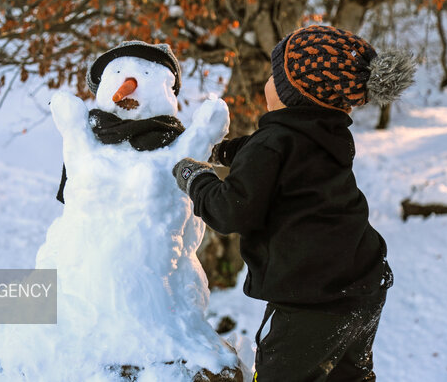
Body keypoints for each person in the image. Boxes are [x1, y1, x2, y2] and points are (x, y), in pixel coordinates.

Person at [172, 24, 415, 381]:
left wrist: (196, 178)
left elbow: (229, 209)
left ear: (292, 92)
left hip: (313, 304)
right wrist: (230, 152)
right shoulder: (329, 134)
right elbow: (281, 159)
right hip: (364, 286)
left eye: (274, 75)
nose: (267, 82)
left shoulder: (274, 144)